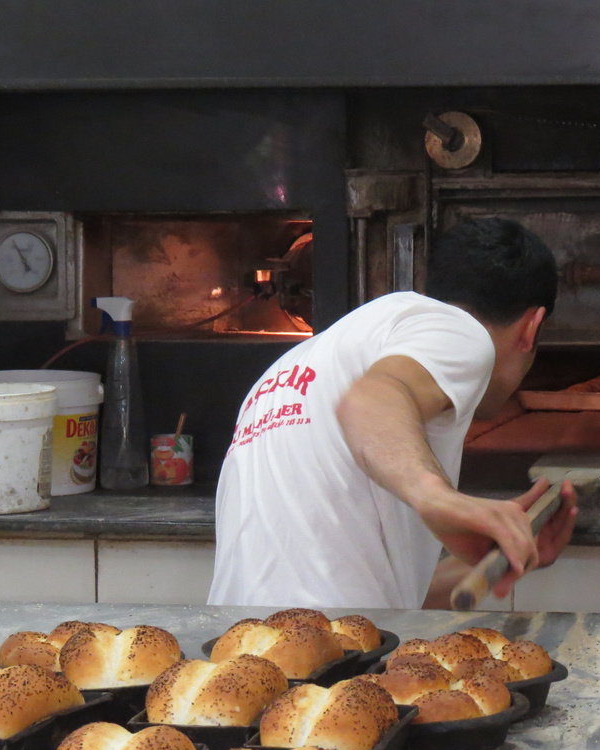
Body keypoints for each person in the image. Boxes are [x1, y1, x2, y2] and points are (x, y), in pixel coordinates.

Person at [208, 217, 578, 610]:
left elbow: (376, 595)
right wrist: (440, 498)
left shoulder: (292, 367)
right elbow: (371, 399)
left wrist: (506, 554)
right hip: (331, 653)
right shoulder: (463, 333)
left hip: (237, 652)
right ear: (531, 327)